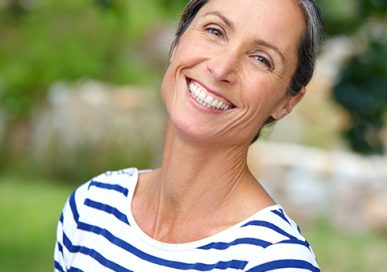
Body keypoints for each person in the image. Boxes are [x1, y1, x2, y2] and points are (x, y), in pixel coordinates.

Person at [54, 0, 323, 271]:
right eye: (215, 31)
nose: (221, 69)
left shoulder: (274, 261)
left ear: (287, 102)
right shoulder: (92, 207)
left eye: (261, 59)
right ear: (178, 39)